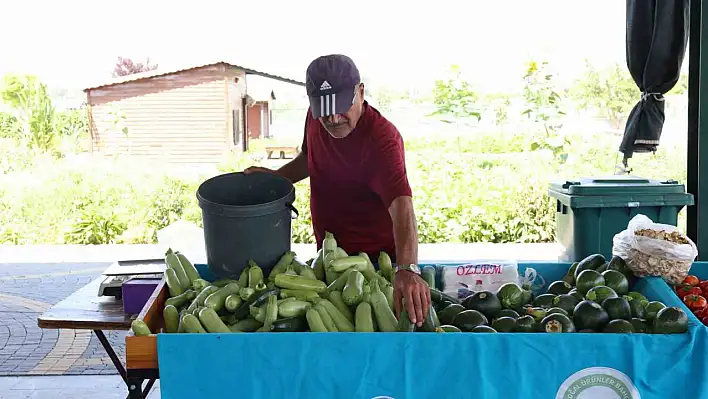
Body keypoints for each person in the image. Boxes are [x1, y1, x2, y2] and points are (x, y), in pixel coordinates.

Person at [245, 54, 430, 326]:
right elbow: (310, 157)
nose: (332, 118)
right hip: (328, 258)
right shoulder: (314, 117)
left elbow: (402, 206)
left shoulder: (382, 139)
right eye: (324, 109)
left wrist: (408, 269)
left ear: (361, 92)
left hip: (373, 265)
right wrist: (276, 179)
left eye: (342, 106)